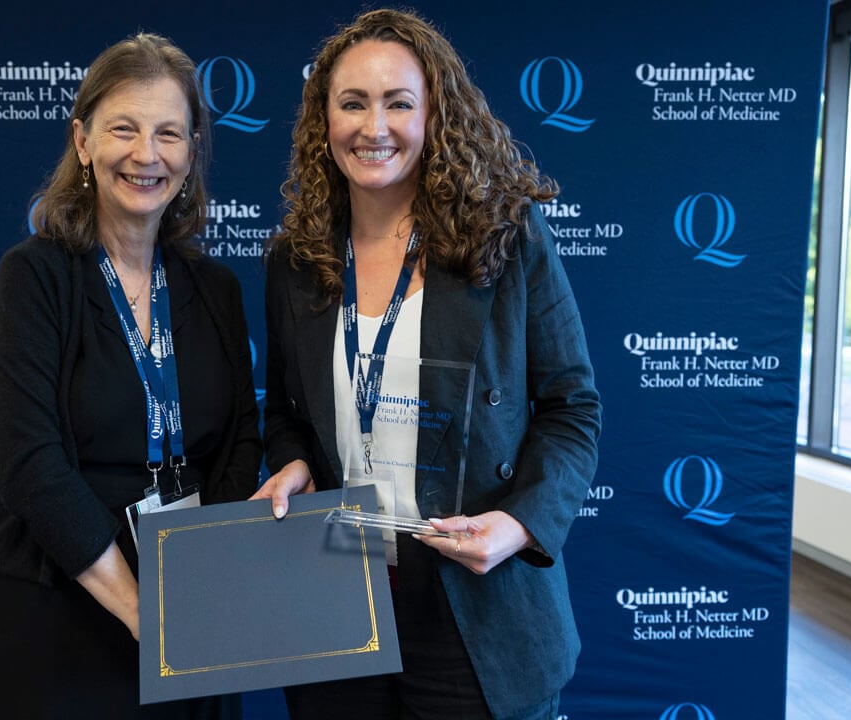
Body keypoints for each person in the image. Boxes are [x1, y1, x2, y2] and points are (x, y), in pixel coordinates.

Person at [253, 9, 601, 720]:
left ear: (434, 115)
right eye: (352, 103)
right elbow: (286, 413)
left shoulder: (506, 238)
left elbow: (573, 410)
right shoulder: (296, 261)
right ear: (324, 120)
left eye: (398, 103)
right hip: (335, 587)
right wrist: (291, 461)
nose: (373, 127)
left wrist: (521, 525)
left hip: (474, 593)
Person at [0, 32, 261, 719]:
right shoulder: (35, 278)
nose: (146, 154)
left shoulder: (213, 287)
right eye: (123, 129)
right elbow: (30, 466)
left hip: (188, 609)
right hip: (59, 611)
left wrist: (199, 581)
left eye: (169, 133)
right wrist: (143, 611)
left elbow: (242, 438)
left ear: (191, 154)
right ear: (83, 141)